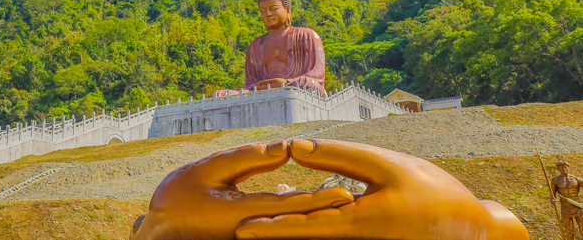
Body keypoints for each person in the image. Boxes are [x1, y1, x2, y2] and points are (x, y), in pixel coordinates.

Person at [129, 139, 529, 240]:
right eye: (264, 11)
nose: (269, 16)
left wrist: (477, 226)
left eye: (275, 10)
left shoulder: (305, 37)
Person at [214, 0, 325, 97]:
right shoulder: (255, 46)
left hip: (292, 88)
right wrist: (257, 86)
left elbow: (316, 77)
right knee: (219, 95)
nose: (268, 14)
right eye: (263, 11)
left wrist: (285, 83)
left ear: (287, 10)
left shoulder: (307, 36)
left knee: (312, 86)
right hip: (262, 93)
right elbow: (250, 83)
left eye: (273, 8)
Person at [553, 158, 583, 239]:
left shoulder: (576, 179)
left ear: (568, 167)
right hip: (565, 208)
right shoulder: (555, 181)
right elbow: (552, 195)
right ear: (558, 169)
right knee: (569, 231)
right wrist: (553, 200)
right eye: (561, 168)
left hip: (577, 207)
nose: (564, 169)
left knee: (582, 228)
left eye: (565, 167)